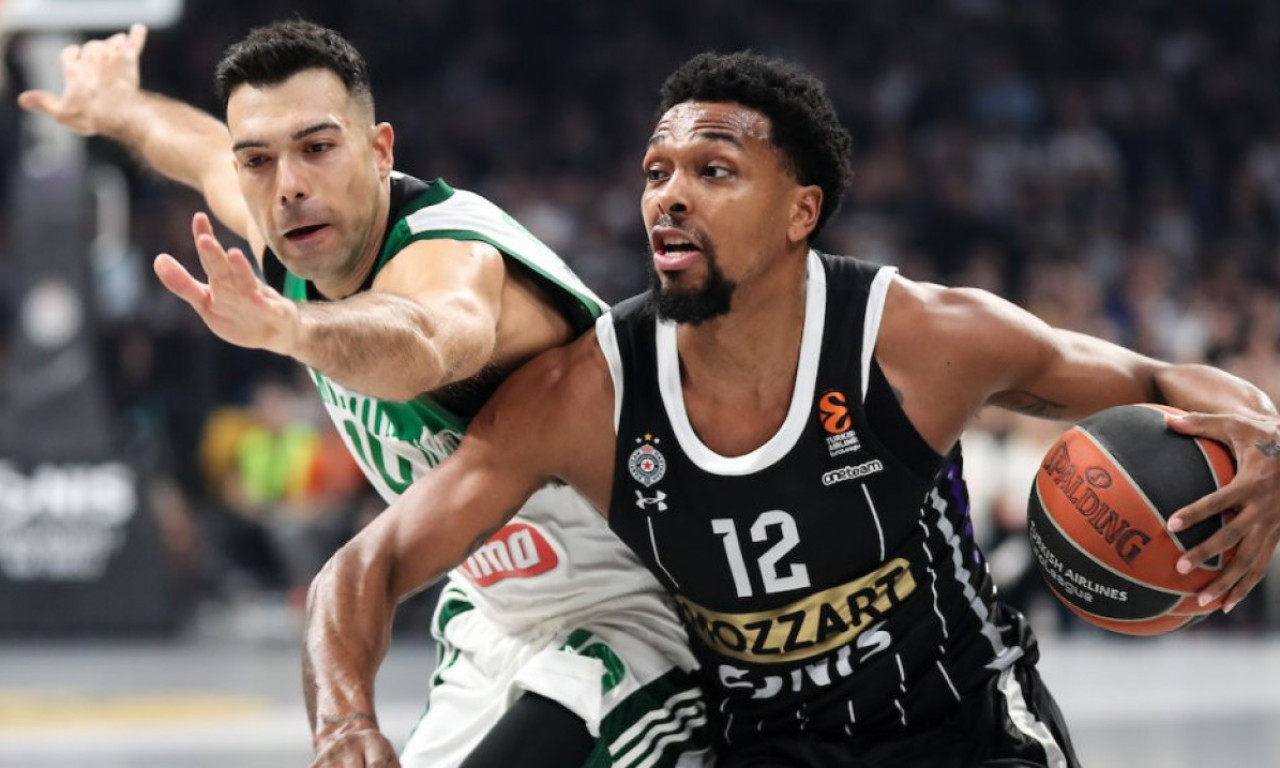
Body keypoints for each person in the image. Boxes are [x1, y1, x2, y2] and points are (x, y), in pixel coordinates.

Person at [304, 51, 1280, 768]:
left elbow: (1163, 382)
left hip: (963, 727)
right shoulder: (587, 393)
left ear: (799, 212)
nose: (669, 196)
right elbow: (364, 568)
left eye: (713, 171)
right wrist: (345, 722)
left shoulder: (918, 339)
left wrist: (1267, 447)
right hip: (768, 747)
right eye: (655, 172)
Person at [18, 21, 709, 768]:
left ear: (380, 150)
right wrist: (119, 106)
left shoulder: (454, 254)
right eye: (259, 159)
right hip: (495, 620)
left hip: (634, 614)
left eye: (317, 147)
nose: (288, 184)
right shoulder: (293, 232)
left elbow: (426, 339)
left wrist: (293, 328)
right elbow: (196, 147)